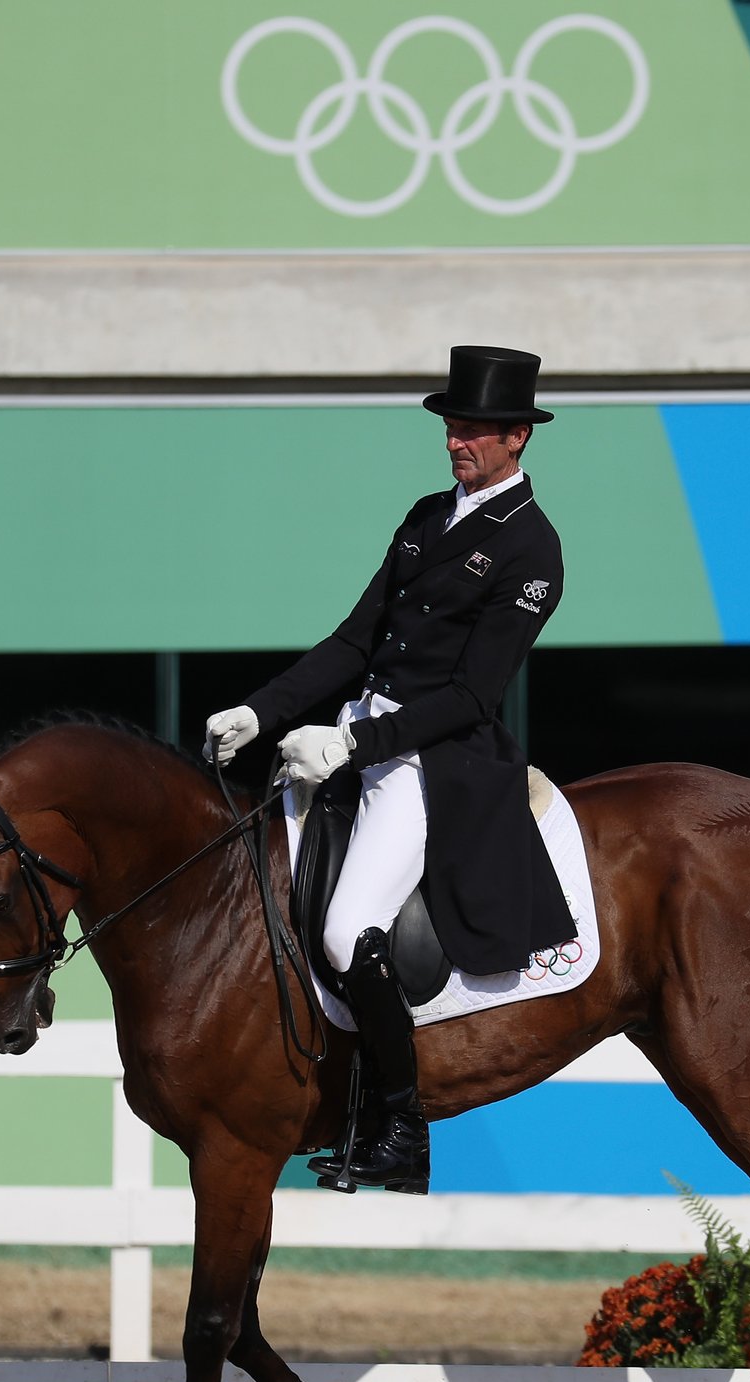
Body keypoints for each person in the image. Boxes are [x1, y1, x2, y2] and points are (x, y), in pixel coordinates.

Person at [204, 345, 576, 1194]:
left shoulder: (532, 550)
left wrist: (354, 747)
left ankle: (399, 1127)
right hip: (354, 734)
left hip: (431, 764)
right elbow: (353, 641)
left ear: (518, 436)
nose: (457, 441)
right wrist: (263, 711)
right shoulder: (424, 515)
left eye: (476, 429)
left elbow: (475, 697)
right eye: (452, 426)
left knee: (344, 931)